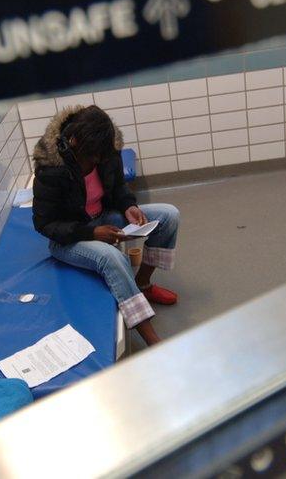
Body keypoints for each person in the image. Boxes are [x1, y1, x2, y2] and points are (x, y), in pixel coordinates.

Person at [31, 105, 180, 346]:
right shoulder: (51, 169)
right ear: (74, 142)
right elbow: (44, 223)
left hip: (104, 218)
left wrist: (128, 206)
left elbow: (119, 188)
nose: (98, 160)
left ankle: (142, 283)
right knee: (112, 257)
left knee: (169, 215)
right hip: (69, 238)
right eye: (92, 156)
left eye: (102, 155)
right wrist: (91, 233)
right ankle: (151, 339)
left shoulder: (106, 150)